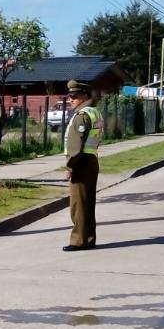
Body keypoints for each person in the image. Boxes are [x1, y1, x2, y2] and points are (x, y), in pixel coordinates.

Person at [62, 80, 103, 252]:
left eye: (74, 96)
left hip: (81, 162)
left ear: (84, 96)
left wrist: (69, 167)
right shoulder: (94, 112)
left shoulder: (82, 115)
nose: (71, 99)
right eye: (69, 96)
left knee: (78, 204)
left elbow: (75, 147)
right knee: (88, 203)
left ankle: (79, 240)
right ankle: (89, 238)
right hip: (91, 160)